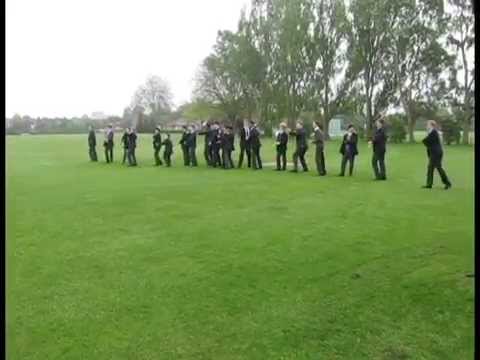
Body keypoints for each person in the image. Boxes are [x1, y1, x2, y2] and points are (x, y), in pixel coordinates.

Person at [422, 120, 452, 189]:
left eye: (428, 125)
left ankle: (447, 183)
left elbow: (426, 141)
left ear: (431, 125)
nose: (426, 126)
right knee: (430, 168)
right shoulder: (431, 132)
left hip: (436, 153)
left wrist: (425, 140)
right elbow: (428, 143)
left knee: (438, 167)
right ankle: (429, 184)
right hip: (434, 153)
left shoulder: (433, 132)